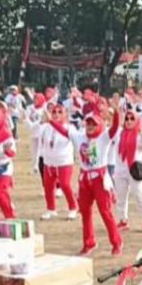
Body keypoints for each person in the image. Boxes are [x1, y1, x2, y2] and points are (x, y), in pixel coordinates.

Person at [49, 110, 123, 256]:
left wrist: (116, 114)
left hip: (99, 179)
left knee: (105, 211)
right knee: (85, 212)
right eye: (88, 123)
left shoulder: (103, 137)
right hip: (84, 179)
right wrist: (51, 121)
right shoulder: (79, 136)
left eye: (93, 124)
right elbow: (64, 131)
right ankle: (89, 243)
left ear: (99, 125)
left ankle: (116, 242)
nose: (90, 126)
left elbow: (114, 128)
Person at [110, 96, 142, 231]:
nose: (128, 121)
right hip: (121, 169)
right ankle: (123, 220)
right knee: (121, 196)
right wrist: (116, 111)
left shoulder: (140, 134)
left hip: (134, 168)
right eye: (127, 119)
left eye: (132, 119)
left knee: (137, 193)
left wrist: (140, 130)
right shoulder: (120, 133)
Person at [38, 104, 78, 220]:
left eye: (60, 112)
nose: (56, 114)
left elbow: (72, 139)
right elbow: (36, 133)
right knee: (48, 186)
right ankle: (50, 209)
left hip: (64, 161)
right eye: (54, 112)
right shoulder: (45, 127)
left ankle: (73, 207)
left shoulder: (70, 127)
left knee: (65, 184)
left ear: (65, 114)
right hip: (49, 161)